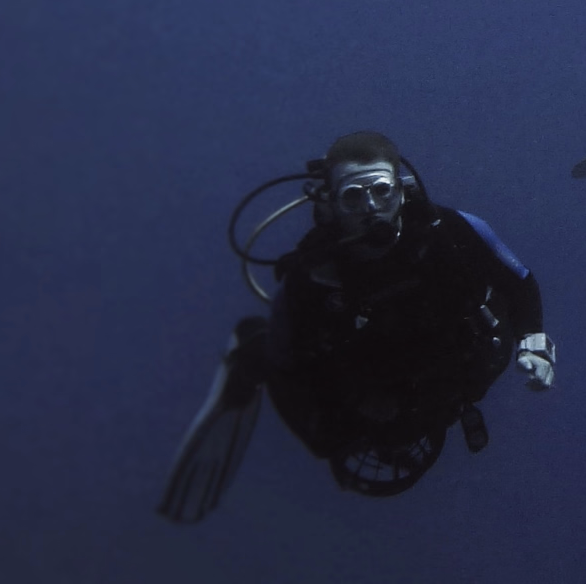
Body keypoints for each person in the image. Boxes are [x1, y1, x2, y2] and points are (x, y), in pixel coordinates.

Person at [159, 132, 556, 520]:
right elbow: (289, 361)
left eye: (381, 190)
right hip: (373, 391)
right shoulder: (314, 276)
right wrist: (343, 396)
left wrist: (535, 342)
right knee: (325, 433)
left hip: (444, 382)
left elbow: (519, 282)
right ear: (331, 203)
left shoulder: (454, 233)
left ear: (401, 190)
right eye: (353, 195)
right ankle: (248, 350)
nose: (371, 206)